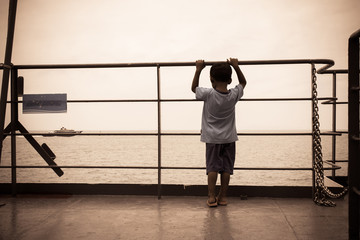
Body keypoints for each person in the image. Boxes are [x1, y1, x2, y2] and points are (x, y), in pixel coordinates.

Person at [191, 58, 247, 207]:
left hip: (212, 138)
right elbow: (243, 83)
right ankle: (222, 197)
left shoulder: (208, 94)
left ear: (211, 79)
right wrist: (236, 66)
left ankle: (211, 197)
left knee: (212, 168)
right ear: (229, 80)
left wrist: (198, 69)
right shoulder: (233, 95)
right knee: (226, 169)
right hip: (229, 138)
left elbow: (193, 88)